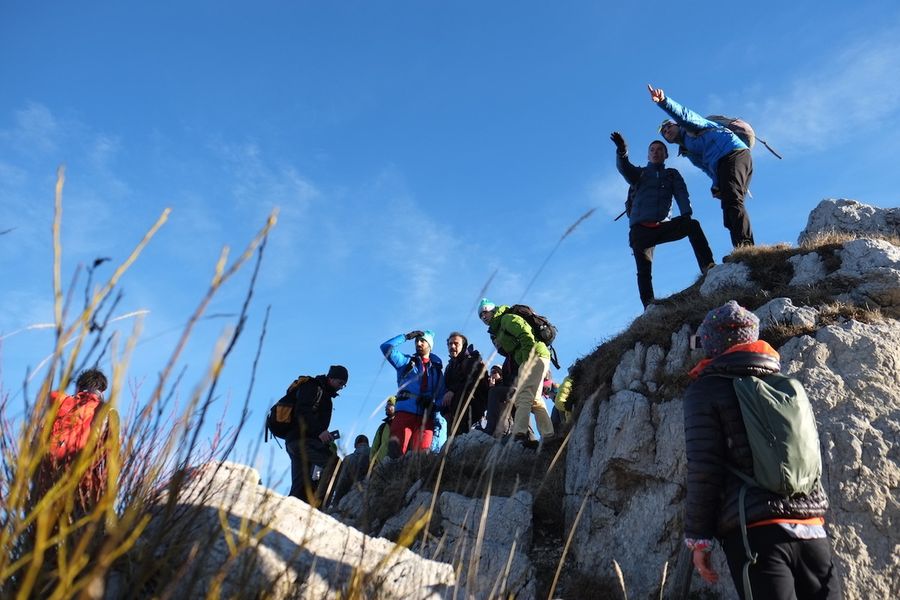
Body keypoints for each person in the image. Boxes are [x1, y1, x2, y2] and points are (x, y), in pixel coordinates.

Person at [683, 301, 842, 599]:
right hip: (813, 529)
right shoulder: (786, 384)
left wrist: (698, 540)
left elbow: (704, 468)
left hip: (755, 532)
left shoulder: (706, 390)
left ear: (711, 342)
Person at [611, 131, 715, 308]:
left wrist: (686, 213)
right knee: (644, 271)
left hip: (662, 226)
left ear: (666, 155)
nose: (656, 152)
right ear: (648, 155)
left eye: (660, 149)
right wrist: (622, 151)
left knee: (692, 225)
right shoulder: (640, 174)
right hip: (640, 230)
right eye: (652, 150)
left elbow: (681, 194)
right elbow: (624, 168)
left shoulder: (672, 174)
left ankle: (708, 267)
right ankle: (649, 306)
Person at [649, 84, 755, 248]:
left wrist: (663, 101)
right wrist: (716, 185)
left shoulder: (693, 126)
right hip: (725, 163)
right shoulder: (688, 151)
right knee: (728, 207)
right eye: (663, 131)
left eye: (669, 125)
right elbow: (708, 169)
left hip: (733, 154)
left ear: (678, 124)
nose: (666, 130)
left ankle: (746, 246)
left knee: (733, 202)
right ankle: (740, 248)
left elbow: (684, 114)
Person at [36, 367, 119, 516]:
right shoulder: (107, 411)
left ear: (79, 387)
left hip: (47, 487)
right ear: (102, 391)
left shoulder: (58, 405)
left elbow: (36, 445)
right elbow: (111, 460)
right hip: (83, 486)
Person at [478, 299, 554, 448]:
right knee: (535, 399)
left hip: (534, 356)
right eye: (481, 316)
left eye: (485, 312)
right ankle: (548, 435)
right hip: (530, 358)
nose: (483, 317)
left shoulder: (507, 319)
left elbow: (526, 336)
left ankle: (519, 434)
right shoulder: (498, 328)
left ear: (493, 310)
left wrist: (526, 361)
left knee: (523, 395)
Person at [285, 365, 348, 504]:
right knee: (334, 464)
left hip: (295, 442)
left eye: (343, 385)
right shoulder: (314, 387)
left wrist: (322, 435)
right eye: (340, 383)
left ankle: (291, 512)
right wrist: (320, 431)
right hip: (302, 440)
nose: (341, 387)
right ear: (331, 378)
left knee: (301, 483)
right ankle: (318, 507)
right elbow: (302, 411)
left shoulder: (322, 392)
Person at [380, 330, 443, 456]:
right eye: (416, 341)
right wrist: (406, 337)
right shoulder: (406, 362)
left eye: (422, 341)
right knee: (395, 453)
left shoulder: (437, 370)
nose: (418, 343)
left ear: (430, 345)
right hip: (404, 412)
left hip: (426, 416)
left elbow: (441, 394)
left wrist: (434, 405)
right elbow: (385, 347)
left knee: (421, 458)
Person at [437, 332, 489, 437]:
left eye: (456, 343)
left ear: (464, 346)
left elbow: (474, 381)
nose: (452, 346)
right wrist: (445, 410)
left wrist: (453, 391)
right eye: (450, 344)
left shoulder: (473, 360)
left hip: (473, 409)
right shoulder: (449, 367)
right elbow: (445, 389)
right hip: (453, 416)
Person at [330, 434, 370, 508]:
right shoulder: (374, 455)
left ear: (355, 445)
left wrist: (335, 501)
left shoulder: (348, 459)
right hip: (366, 498)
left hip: (348, 499)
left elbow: (342, 482)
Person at [370, 396, 396, 464]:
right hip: (381, 466)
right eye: (386, 405)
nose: (386, 407)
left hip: (397, 464)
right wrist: (372, 463)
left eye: (390, 404)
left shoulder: (402, 425)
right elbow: (374, 447)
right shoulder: (382, 427)